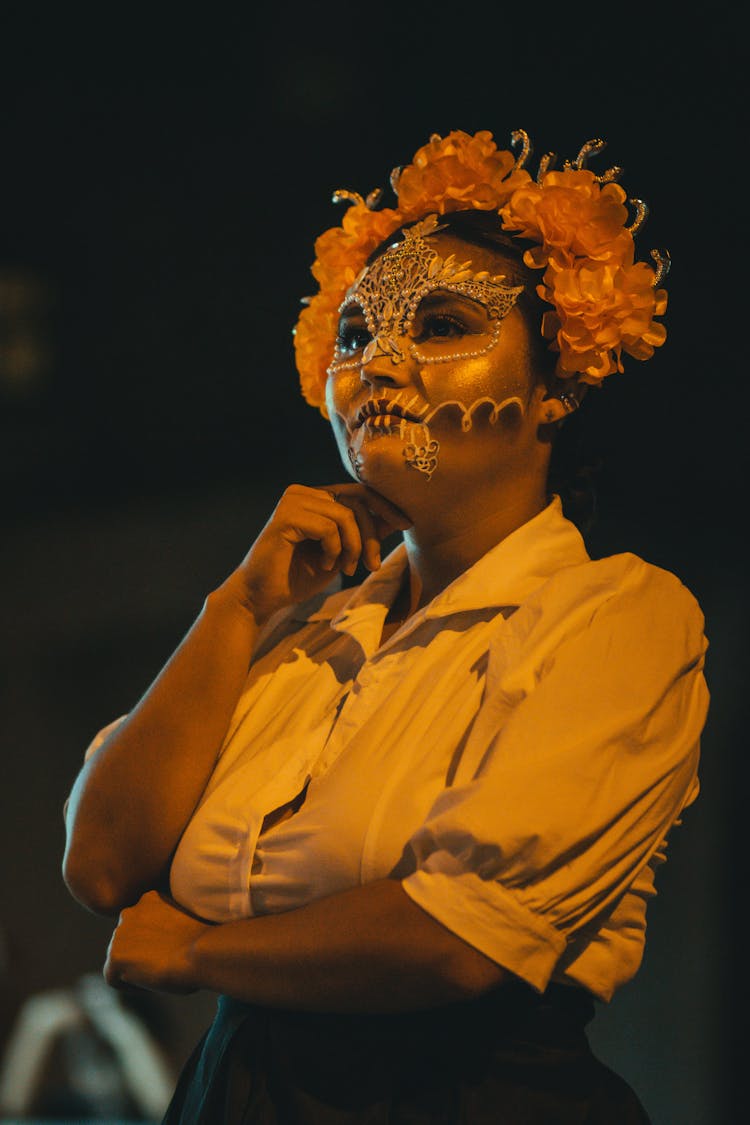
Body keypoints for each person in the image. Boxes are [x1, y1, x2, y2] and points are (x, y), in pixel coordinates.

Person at [62, 128, 709, 1123]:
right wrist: (238, 606)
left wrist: (197, 950)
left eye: (443, 325)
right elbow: (104, 864)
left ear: (556, 388)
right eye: (355, 336)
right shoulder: (299, 637)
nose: (378, 366)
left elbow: (456, 940)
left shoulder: (615, 616)